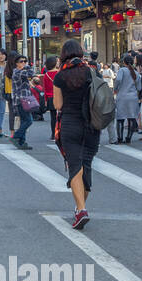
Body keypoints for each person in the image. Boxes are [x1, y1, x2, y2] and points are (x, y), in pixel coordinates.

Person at [53, 40, 99, 231]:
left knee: (75, 167)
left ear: (64, 54)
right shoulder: (91, 72)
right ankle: (80, 207)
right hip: (92, 124)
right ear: (80, 53)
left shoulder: (60, 76)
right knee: (86, 165)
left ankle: (81, 210)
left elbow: (57, 105)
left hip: (70, 124)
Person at [10, 54, 38, 150]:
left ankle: (22, 142)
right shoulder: (18, 72)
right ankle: (16, 136)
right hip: (21, 99)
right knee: (29, 120)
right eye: (21, 61)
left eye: (25, 61)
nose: (24, 63)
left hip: (23, 99)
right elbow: (31, 73)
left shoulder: (19, 72)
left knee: (24, 121)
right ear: (17, 63)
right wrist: (27, 66)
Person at [113, 53, 141, 145]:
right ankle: (128, 138)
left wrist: (115, 89)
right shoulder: (136, 73)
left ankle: (120, 138)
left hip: (122, 96)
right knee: (131, 118)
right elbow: (139, 87)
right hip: (133, 97)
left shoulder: (122, 70)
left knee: (120, 118)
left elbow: (118, 80)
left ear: (124, 62)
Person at [41, 56, 59, 140]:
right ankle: (60, 133)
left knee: (53, 117)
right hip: (59, 97)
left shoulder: (46, 75)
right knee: (61, 116)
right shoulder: (59, 73)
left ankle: (53, 134)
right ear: (54, 63)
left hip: (50, 98)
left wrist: (45, 100)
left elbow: (45, 89)